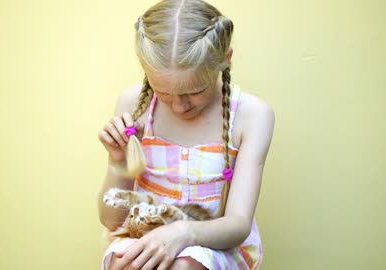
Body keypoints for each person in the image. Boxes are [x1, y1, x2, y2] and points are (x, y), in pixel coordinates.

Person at [97, 0, 274, 269]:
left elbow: (238, 225)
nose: (181, 106)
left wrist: (182, 233)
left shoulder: (252, 115)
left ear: (226, 59)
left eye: (196, 91)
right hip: (142, 234)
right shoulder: (133, 106)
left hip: (214, 242)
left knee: (183, 266)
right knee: (127, 263)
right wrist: (118, 161)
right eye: (165, 94)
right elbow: (111, 220)